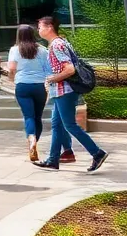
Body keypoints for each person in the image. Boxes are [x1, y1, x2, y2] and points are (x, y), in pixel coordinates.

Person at [33, 15, 109, 173]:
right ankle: (53, 160)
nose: (38, 30)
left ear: (49, 27)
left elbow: (69, 69)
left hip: (64, 91)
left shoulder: (56, 45)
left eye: (40, 27)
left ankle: (97, 153)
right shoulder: (61, 42)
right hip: (63, 91)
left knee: (69, 125)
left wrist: (52, 78)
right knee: (57, 124)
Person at [7, 23, 58, 163]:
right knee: (37, 117)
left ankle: (31, 139)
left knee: (28, 116)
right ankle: (35, 142)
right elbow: (49, 70)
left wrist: (12, 79)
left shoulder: (14, 50)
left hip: (22, 85)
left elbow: (11, 69)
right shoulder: (42, 50)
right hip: (39, 86)